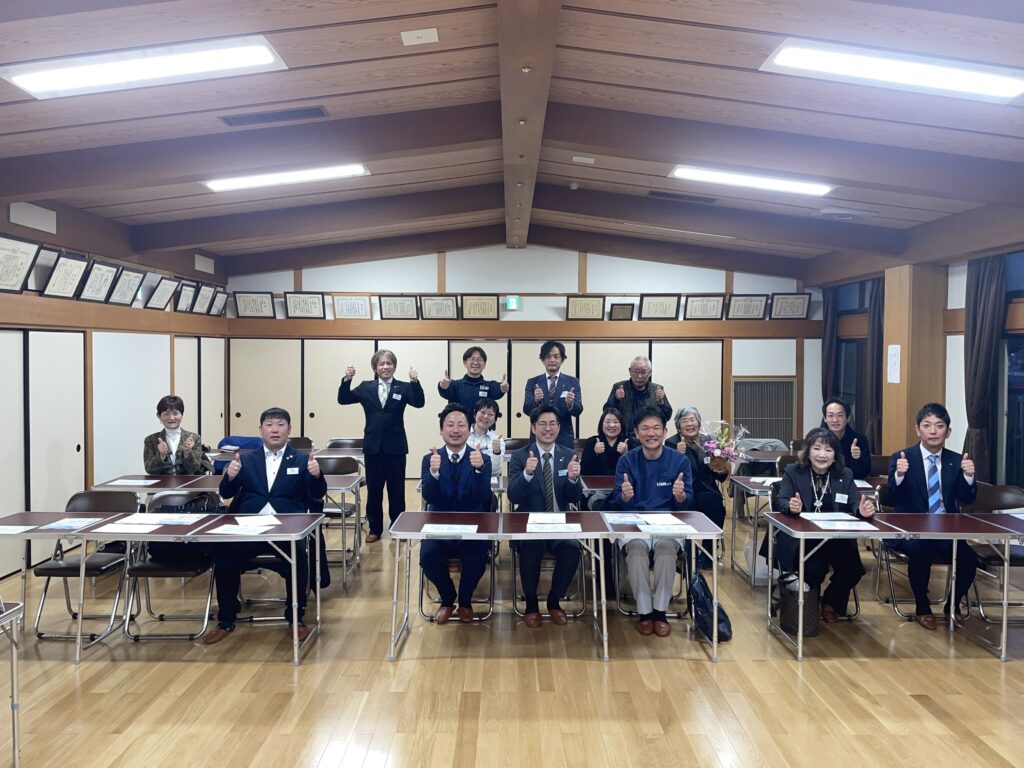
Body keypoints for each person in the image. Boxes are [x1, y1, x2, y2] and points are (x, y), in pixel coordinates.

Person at [204, 407, 327, 645]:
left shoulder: (302, 459)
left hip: (286, 528)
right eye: (269, 425)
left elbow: (317, 494)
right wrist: (230, 476)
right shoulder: (246, 459)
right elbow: (226, 493)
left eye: (280, 425)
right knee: (224, 557)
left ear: (289, 430)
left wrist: (316, 475)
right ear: (261, 430)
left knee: (299, 559)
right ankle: (226, 619)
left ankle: (296, 617)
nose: (275, 430)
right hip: (249, 527)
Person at [886, 402, 977, 630]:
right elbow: (892, 498)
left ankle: (952, 605)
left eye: (939, 425)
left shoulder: (956, 460)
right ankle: (922, 606)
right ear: (918, 430)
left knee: (968, 558)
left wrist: (968, 477)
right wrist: (899, 475)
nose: (933, 431)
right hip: (910, 531)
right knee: (921, 551)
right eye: (927, 425)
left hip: (946, 530)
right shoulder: (902, 457)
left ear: (948, 431)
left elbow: (966, 499)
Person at [773, 427, 876, 622]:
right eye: (817, 448)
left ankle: (830, 602)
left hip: (835, 538)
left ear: (835, 455)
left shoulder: (844, 474)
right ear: (808, 452)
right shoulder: (793, 471)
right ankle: (810, 605)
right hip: (803, 539)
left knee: (853, 569)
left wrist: (862, 510)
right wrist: (791, 506)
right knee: (814, 568)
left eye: (828, 450)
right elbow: (782, 500)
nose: (822, 455)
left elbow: (855, 502)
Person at [613, 406, 692, 638]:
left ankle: (660, 611)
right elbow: (618, 502)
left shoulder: (679, 461)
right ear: (636, 433)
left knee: (666, 549)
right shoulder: (626, 461)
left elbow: (687, 503)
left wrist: (680, 496)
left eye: (656, 428)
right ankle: (645, 612)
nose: (651, 433)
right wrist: (625, 496)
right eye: (645, 428)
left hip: (668, 523)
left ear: (665, 432)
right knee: (637, 550)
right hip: (635, 524)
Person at [507, 404, 583, 627]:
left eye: (552, 424)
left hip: (560, 522)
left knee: (572, 549)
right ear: (533, 428)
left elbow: (575, 497)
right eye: (542, 424)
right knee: (531, 547)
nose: (547, 428)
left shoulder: (569, 455)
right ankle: (531, 604)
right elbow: (513, 496)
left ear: (559, 427)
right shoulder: (520, 456)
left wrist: (573, 479)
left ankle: (554, 601)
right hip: (531, 523)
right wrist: (527, 473)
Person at [338, 349, 425, 541]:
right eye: (381, 364)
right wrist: (347, 379)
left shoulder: (403, 387)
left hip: (396, 446)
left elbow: (419, 403)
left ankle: (397, 527)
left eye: (389, 363)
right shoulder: (365, 387)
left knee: (396, 490)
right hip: (373, 446)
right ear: (375, 368)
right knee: (374, 490)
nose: (385, 367)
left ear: (394, 366)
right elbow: (343, 399)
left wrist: (415, 382)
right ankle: (375, 529)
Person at [419, 404, 494, 623]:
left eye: (461, 425)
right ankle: (447, 598)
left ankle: (465, 601)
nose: (455, 430)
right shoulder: (430, 459)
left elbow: (483, 497)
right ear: (441, 430)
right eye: (449, 425)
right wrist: (433, 472)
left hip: (472, 526)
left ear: (469, 429)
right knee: (427, 557)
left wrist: (479, 470)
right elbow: (430, 497)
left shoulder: (481, 458)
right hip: (439, 527)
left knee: (477, 557)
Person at [667, 406, 728, 570]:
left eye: (692, 419)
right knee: (686, 507)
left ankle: (708, 554)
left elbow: (721, 476)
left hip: (707, 489)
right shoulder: (672, 443)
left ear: (699, 423)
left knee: (716, 506)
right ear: (678, 426)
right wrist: (677, 454)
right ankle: (688, 554)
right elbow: (669, 473)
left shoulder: (710, 441)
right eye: (684, 421)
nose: (689, 424)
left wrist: (721, 468)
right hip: (684, 491)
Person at [522, 340, 583, 449]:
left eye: (556, 356)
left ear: (562, 359)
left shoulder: (572, 382)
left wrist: (570, 404)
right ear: (543, 360)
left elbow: (578, 411)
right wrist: (535, 400)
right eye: (548, 356)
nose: (552, 360)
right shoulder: (532, 382)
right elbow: (526, 410)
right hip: (539, 437)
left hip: (564, 438)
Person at [604, 355, 672, 433]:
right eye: (636, 372)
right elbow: (606, 412)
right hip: (624, 436)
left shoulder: (657, 389)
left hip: (648, 436)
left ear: (650, 373)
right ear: (630, 371)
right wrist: (616, 400)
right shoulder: (619, 387)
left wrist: (661, 403)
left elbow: (667, 416)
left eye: (643, 372)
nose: (639, 376)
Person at [143, 395, 203, 475]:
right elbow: (149, 470)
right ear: (159, 416)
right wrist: (161, 455)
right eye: (166, 414)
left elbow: (194, 469)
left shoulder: (194, 438)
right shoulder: (150, 440)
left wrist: (187, 452)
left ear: (182, 415)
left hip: (187, 481)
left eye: (175, 413)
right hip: (162, 482)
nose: (171, 418)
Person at [438, 346, 509, 412]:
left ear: (484, 364)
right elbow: (445, 392)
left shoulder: (489, 386)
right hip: (460, 421)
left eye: (479, 359)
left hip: (482, 422)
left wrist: (503, 388)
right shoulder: (455, 385)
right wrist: (442, 386)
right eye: (472, 359)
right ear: (465, 363)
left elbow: (498, 390)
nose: (475, 362)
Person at [821, 397, 871, 479]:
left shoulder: (859, 440)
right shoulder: (817, 440)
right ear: (825, 419)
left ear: (848, 418)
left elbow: (864, 472)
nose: (835, 420)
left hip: (850, 483)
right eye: (830, 415)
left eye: (840, 415)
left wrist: (857, 459)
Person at [580, 407, 635, 477]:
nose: (612, 425)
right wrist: (595, 453)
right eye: (607, 422)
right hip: (597, 483)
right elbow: (584, 471)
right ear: (601, 424)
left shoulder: (629, 442)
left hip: (623, 483)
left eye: (616, 422)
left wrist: (626, 454)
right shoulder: (592, 442)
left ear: (621, 424)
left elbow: (636, 472)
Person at [465, 397, 505, 479]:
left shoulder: (498, 440)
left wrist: (496, 452)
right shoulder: (463, 435)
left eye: (490, 414)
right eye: (482, 412)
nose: (486, 416)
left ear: (495, 419)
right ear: (475, 413)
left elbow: (495, 473)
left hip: (486, 481)